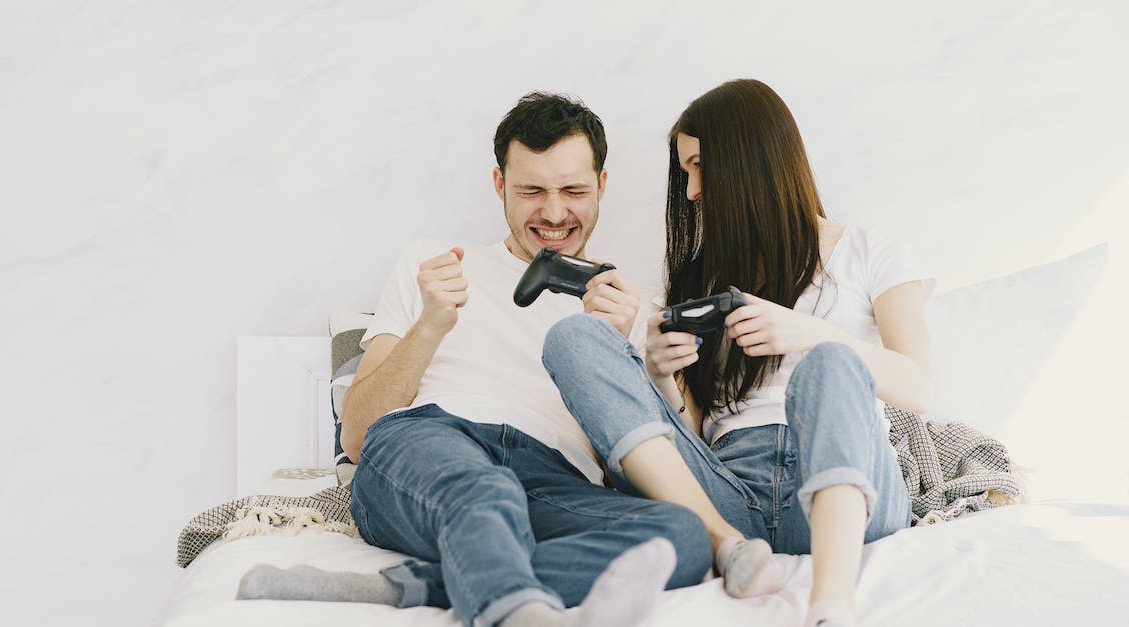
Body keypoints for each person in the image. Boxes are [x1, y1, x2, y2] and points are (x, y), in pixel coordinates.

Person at [235, 92, 715, 627]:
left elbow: (652, 471)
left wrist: (618, 358)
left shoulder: (633, 306)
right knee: (487, 489)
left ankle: (415, 587)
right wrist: (430, 325)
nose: (554, 213)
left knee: (683, 537)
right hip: (431, 445)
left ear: (602, 186)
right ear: (498, 186)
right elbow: (357, 433)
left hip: (553, 479)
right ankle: (516, 614)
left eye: (574, 191)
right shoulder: (432, 266)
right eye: (532, 190)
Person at [542, 79, 933, 627]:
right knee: (575, 338)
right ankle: (724, 545)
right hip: (730, 500)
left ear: (748, 159)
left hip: (844, 498)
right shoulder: (698, 277)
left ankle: (831, 604)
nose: (693, 190)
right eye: (686, 173)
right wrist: (661, 375)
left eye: (699, 165)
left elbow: (918, 386)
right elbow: (698, 430)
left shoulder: (873, 253)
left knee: (829, 363)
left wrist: (803, 331)